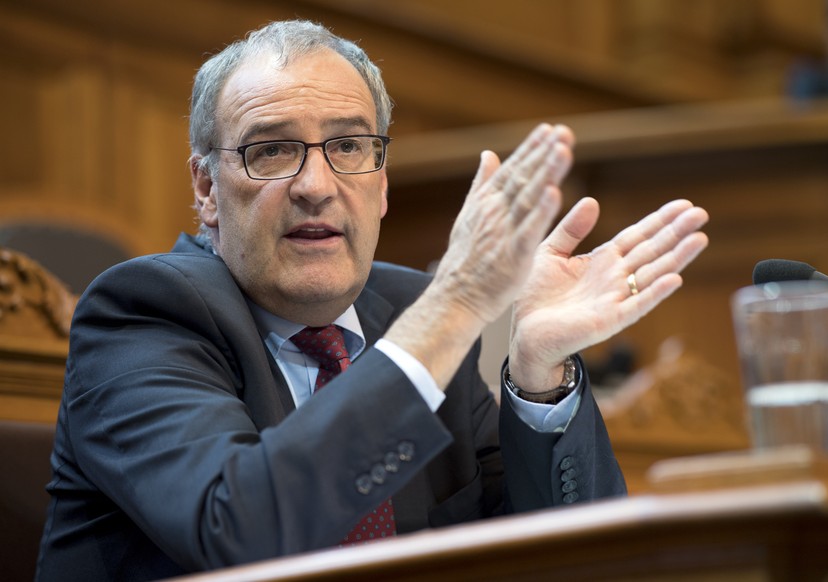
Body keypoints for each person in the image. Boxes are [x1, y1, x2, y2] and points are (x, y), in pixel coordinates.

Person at [35, 20, 709, 581]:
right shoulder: (142, 314)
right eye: (272, 151)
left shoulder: (411, 312)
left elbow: (575, 562)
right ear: (208, 187)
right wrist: (458, 303)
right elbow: (240, 531)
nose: (315, 185)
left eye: (349, 147)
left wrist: (537, 372)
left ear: (381, 182)